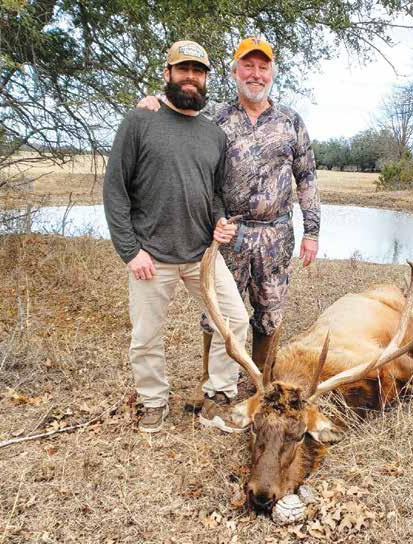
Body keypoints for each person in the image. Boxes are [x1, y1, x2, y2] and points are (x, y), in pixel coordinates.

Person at [137, 37, 320, 413]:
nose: (255, 74)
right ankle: (216, 391)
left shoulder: (291, 121)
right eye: (247, 66)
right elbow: (175, 117)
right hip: (227, 235)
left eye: (262, 67)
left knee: (269, 313)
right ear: (235, 71)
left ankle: (261, 389)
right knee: (218, 315)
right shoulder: (213, 120)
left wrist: (312, 231)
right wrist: (153, 104)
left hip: (277, 235)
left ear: (272, 73)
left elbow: (307, 176)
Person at [104, 40, 249, 434]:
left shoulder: (212, 135)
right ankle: (153, 402)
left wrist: (220, 221)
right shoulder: (139, 121)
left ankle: (218, 397)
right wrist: (131, 252)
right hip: (152, 257)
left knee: (235, 320)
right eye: (182, 69)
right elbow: (115, 190)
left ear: (205, 79)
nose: (190, 77)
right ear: (167, 74)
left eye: (197, 71)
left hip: (202, 256)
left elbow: (214, 193)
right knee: (146, 336)